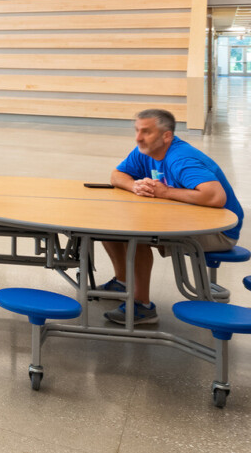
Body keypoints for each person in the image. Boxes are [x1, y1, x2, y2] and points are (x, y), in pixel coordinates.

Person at [98, 109, 244, 326]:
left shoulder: (180, 158)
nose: (138, 137)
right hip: (192, 220)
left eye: (146, 132)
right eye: (137, 130)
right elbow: (116, 175)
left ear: (166, 136)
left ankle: (142, 307)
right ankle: (122, 282)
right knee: (110, 225)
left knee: (134, 234)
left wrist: (164, 192)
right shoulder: (145, 151)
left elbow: (215, 196)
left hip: (219, 232)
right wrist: (134, 185)